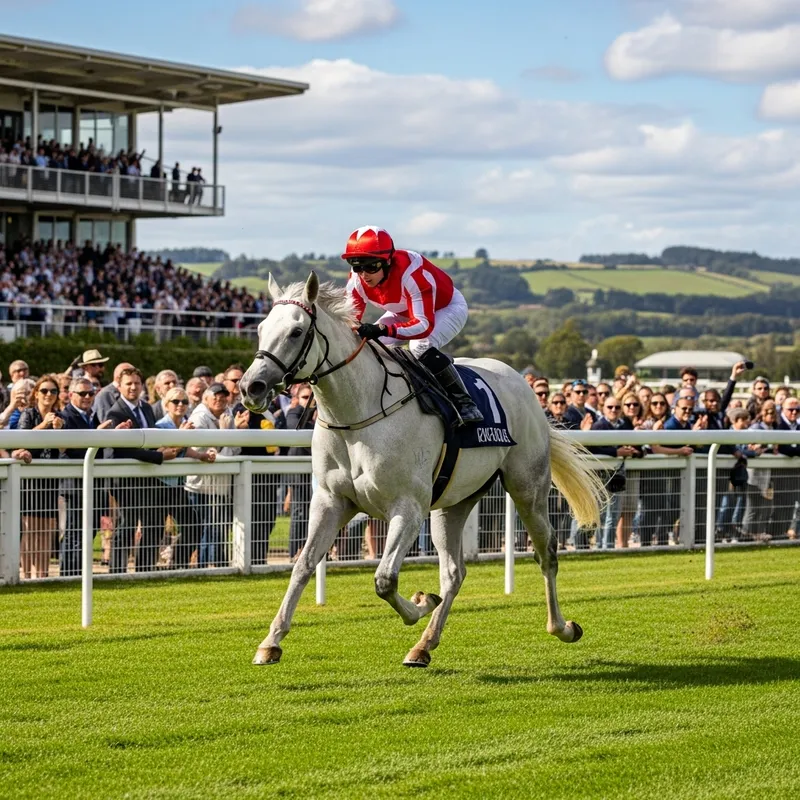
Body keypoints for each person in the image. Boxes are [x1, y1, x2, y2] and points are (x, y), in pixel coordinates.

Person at [342, 226, 482, 424]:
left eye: (371, 267)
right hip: (403, 312)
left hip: (445, 309)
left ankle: (465, 403)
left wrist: (383, 329)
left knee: (419, 346)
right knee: (365, 344)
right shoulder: (356, 279)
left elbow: (423, 326)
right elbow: (349, 319)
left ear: (387, 261)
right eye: (357, 267)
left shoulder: (412, 273)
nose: (364, 274)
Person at [105, 367, 179, 573]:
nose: (133, 387)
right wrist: (159, 456)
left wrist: (160, 451)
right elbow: (124, 449)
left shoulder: (146, 408)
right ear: (119, 386)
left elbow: (152, 439)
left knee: (153, 524)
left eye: (136, 383)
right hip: (126, 480)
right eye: (128, 383)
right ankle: (117, 572)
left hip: (148, 477)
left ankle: (145, 570)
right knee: (127, 525)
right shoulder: (115, 412)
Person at [59, 377, 121, 576]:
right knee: (75, 534)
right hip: (76, 485)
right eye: (82, 393)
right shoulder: (65, 416)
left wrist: (112, 433)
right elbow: (69, 449)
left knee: (89, 531)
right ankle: (69, 575)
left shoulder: (90, 416)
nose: (87, 397)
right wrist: (97, 433)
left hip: (93, 484)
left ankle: (79, 574)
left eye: (91, 393)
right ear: (71, 395)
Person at [185, 383, 249, 567]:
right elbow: (202, 450)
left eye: (223, 397)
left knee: (217, 528)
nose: (220, 400)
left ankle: (213, 565)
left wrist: (225, 438)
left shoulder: (226, 415)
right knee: (210, 528)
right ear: (206, 399)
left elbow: (234, 449)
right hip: (201, 484)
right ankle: (207, 566)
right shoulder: (199, 417)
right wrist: (223, 434)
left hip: (219, 484)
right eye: (215, 396)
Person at [155, 386, 214, 569]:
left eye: (184, 402)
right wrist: (181, 437)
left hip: (177, 486)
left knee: (193, 526)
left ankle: (178, 564)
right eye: (176, 401)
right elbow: (161, 452)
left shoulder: (185, 423)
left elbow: (184, 449)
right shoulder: (160, 426)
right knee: (154, 531)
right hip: (158, 485)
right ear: (166, 404)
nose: (180, 405)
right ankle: (144, 569)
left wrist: (201, 456)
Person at [15, 375, 64, 579]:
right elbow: (20, 441)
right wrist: (44, 424)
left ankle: (42, 575)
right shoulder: (29, 414)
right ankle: (27, 575)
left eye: (53, 391)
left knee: (46, 531)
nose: (48, 394)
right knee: (30, 530)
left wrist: (59, 430)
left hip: (49, 480)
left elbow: (64, 449)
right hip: (30, 480)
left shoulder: (60, 416)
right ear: (36, 394)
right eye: (44, 390)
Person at [285, 384, 316, 561]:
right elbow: (296, 430)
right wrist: (309, 410)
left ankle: (311, 551)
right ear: (296, 399)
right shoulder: (294, 412)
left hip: (315, 470)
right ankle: (294, 552)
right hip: (299, 473)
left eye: (312, 397)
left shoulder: (319, 413)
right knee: (300, 513)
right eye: (305, 397)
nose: (310, 401)